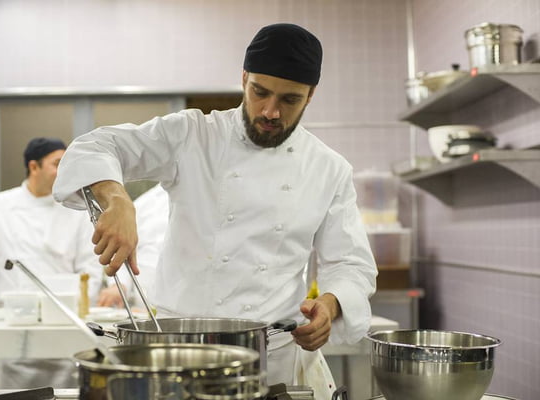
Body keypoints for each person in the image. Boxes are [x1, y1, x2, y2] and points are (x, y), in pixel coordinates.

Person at [53, 23, 377, 395]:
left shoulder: (328, 168)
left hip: (273, 360)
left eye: (289, 100)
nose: (270, 111)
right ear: (243, 79)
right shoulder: (193, 135)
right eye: (260, 92)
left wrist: (331, 304)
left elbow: (352, 264)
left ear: (310, 95)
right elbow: (94, 146)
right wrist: (116, 198)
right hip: (179, 354)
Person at [0, 137, 104, 389]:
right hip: (15, 326)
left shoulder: (75, 209)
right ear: (34, 167)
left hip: (64, 325)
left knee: (66, 392)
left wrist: (84, 305)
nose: (64, 171)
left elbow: (90, 267)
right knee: (16, 394)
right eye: (57, 164)